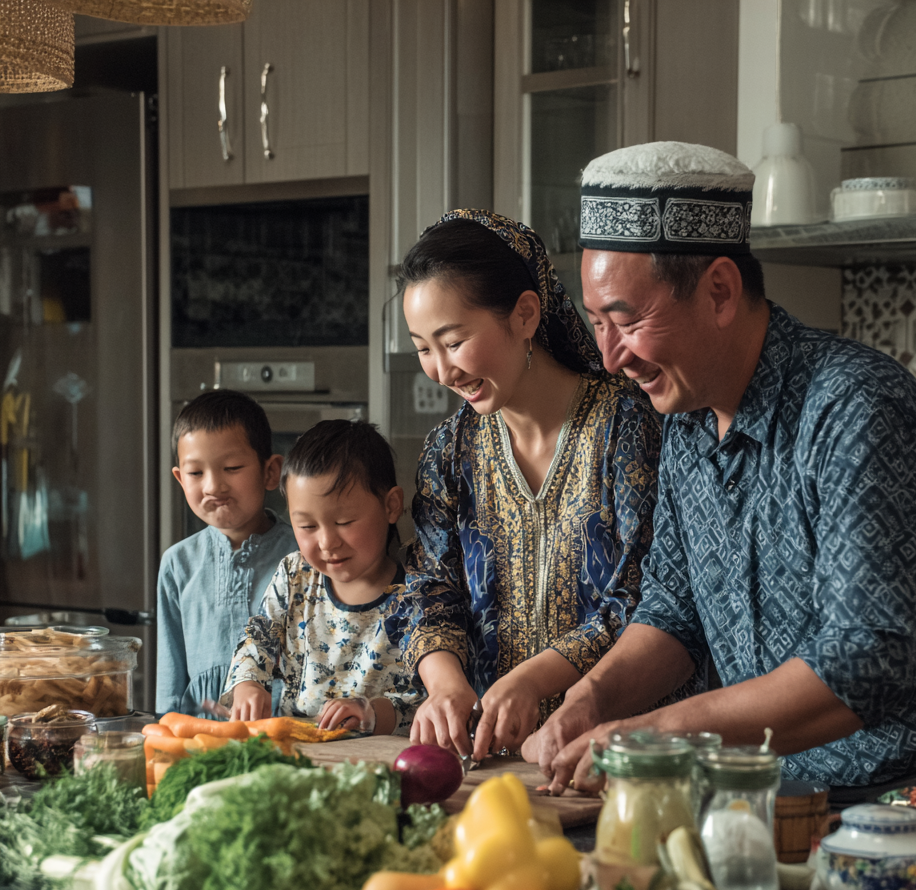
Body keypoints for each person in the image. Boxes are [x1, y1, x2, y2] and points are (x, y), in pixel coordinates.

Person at [523, 141, 916, 853]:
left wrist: (657, 730)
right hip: (781, 815)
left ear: (720, 291)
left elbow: (860, 663)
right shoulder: (689, 423)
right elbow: (675, 608)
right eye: (598, 323)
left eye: (629, 322)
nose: (611, 357)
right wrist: (592, 698)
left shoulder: (855, 409)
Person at [393, 210, 662, 761]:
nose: (442, 371)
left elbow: (645, 596)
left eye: (454, 340)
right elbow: (427, 584)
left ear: (525, 314)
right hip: (491, 758)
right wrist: (445, 684)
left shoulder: (626, 426)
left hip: (617, 753)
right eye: (424, 348)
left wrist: (532, 681)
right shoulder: (450, 450)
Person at [222, 418, 425, 735]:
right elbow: (257, 638)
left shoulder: (418, 594)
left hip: (379, 758)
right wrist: (248, 683)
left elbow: (424, 702)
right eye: (307, 527)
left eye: (344, 521)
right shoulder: (294, 574)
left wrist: (370, 714)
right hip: (297, 751)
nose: (327, 542)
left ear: (391, 505)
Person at [156, 390, 296, 716]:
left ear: (270, 471)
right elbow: (170, 675)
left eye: (231, 467)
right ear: (179, 479)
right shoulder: (177, 564)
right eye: (195, 473)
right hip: (199, 741)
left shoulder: (303, 556)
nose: (213, 486)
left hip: (283, 735)